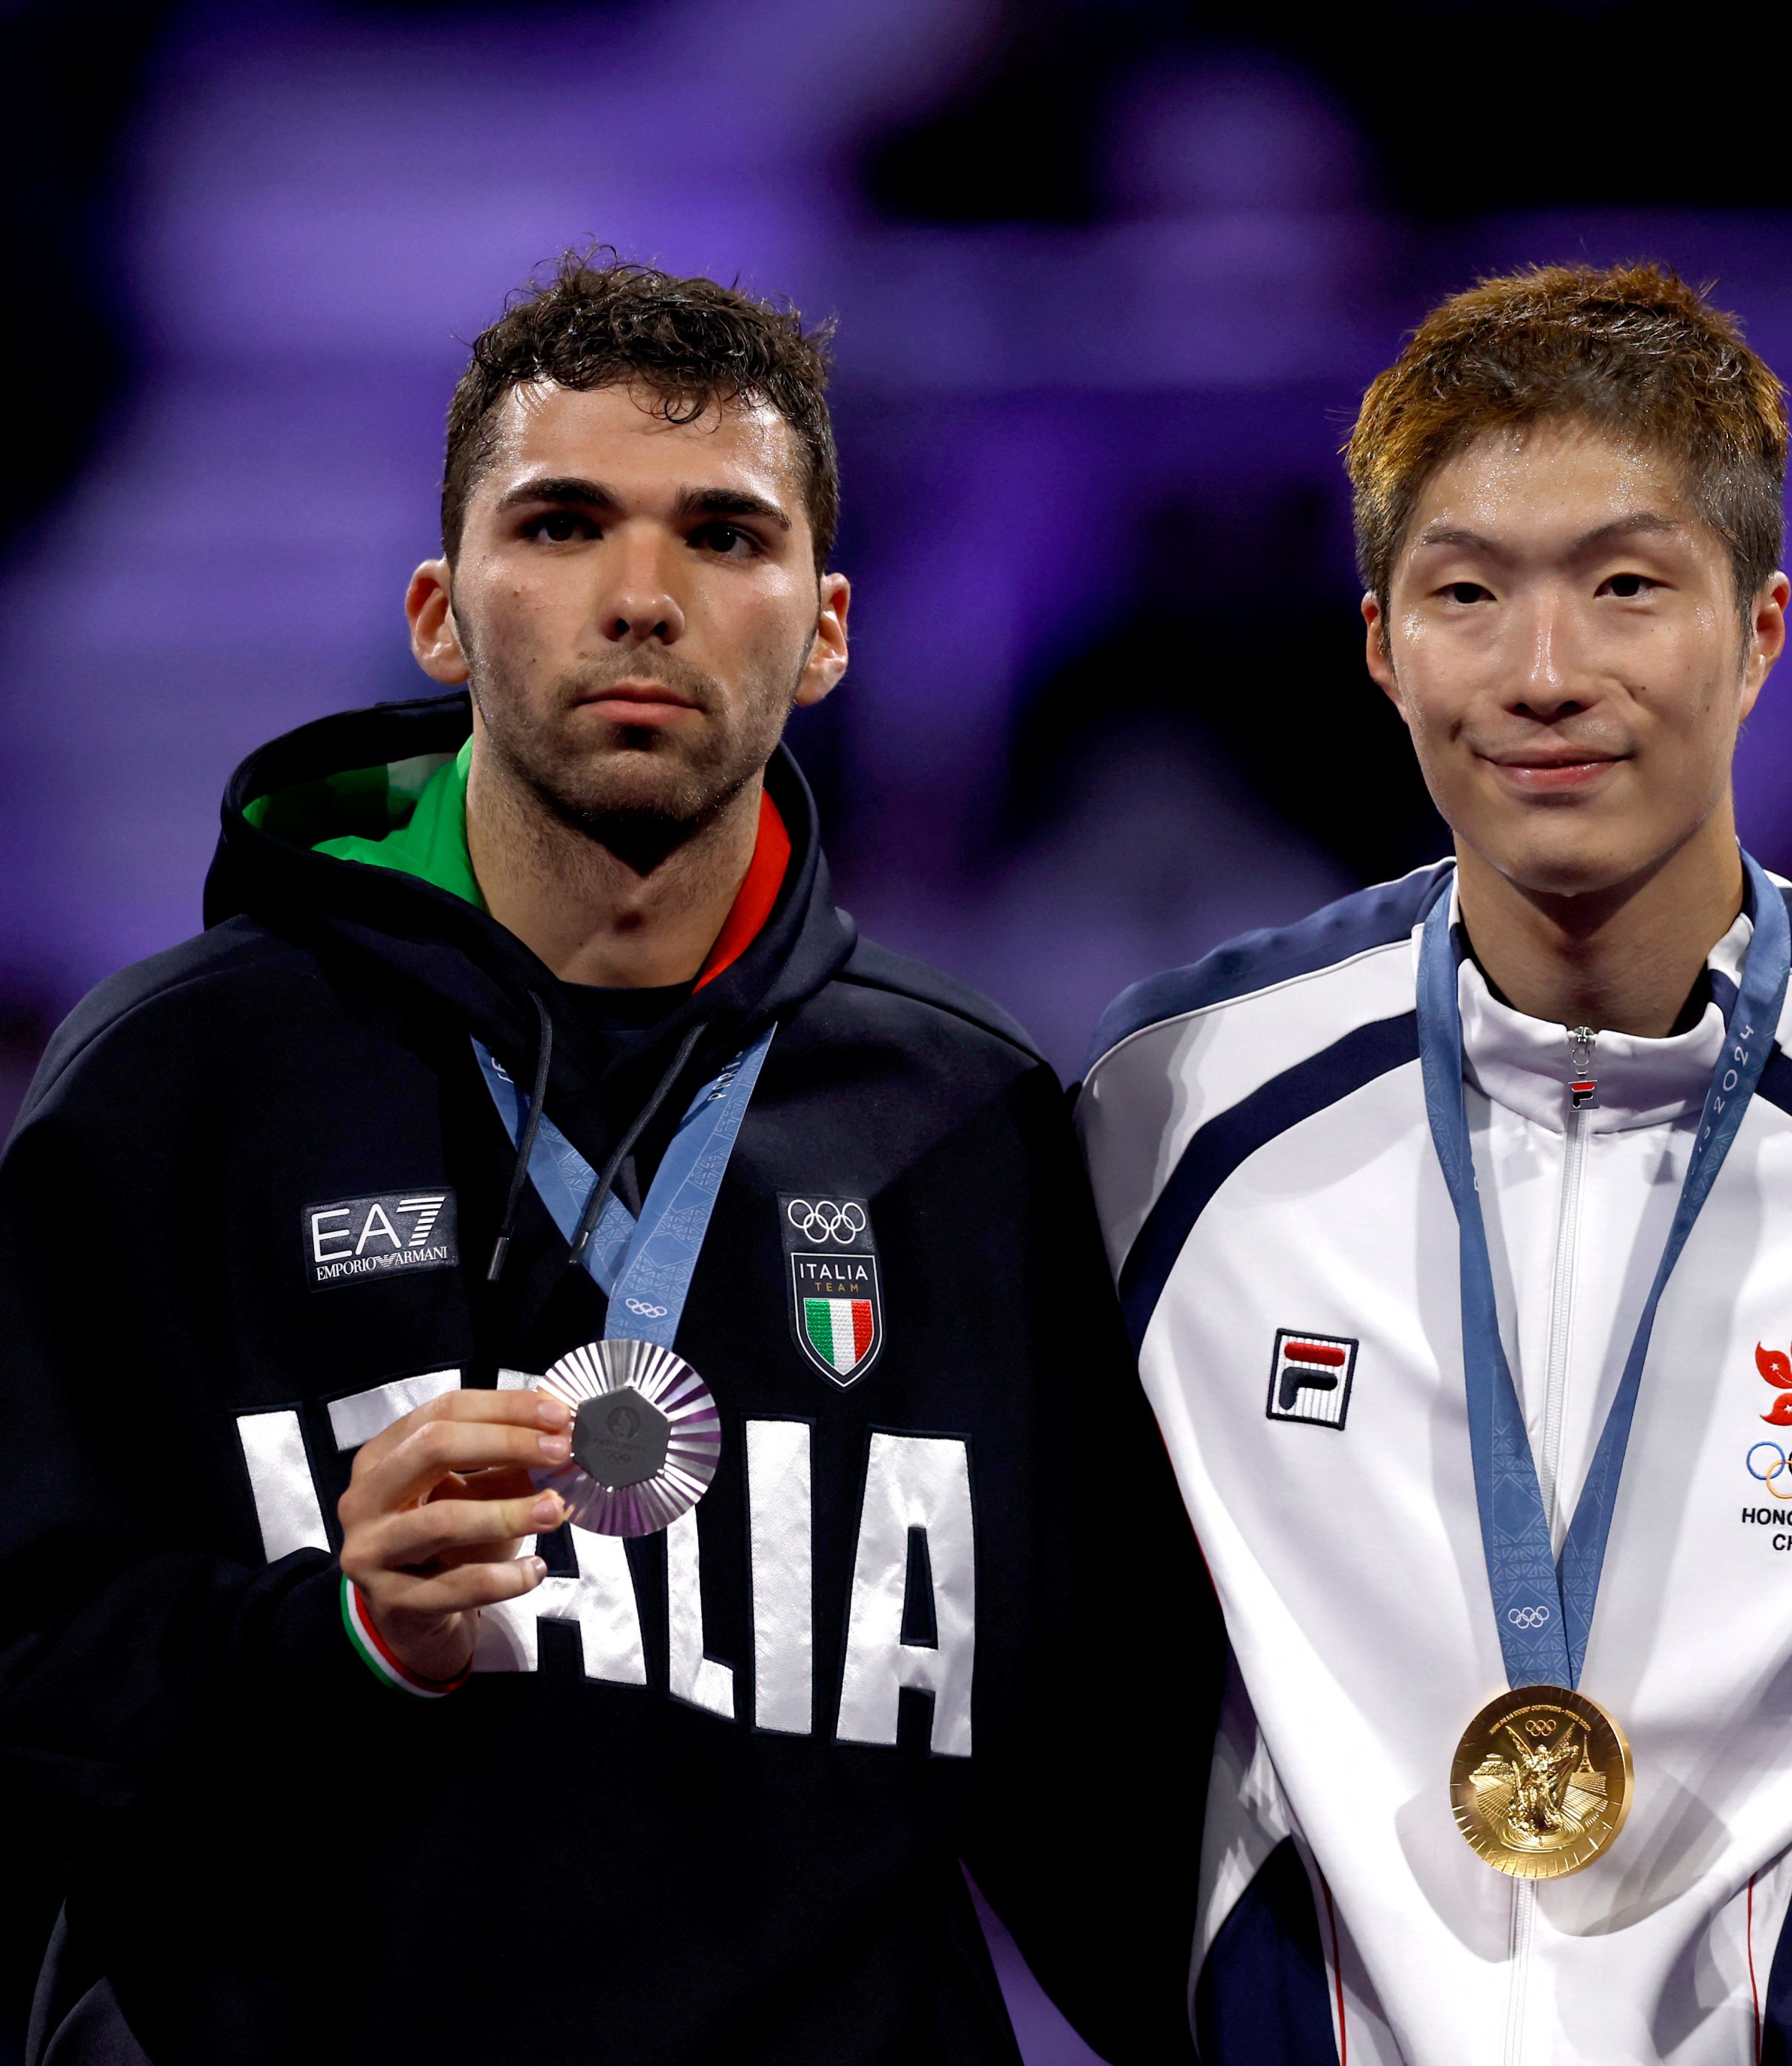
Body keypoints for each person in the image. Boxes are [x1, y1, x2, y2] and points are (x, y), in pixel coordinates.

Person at [0, 252, 1213, 2065]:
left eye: (722, 536)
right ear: (437, 608)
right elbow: (29, 1680)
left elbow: (1101, 1798)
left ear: (825, 629)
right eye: (561, 524)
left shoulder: (969, 1123)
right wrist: (334, 1636)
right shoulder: (182, 1087)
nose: (639, 600)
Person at [1077, 262, 1792, 2066]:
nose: (1546, 674)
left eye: (1627, 586)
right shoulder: (1168, 1118)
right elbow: (1076, 1700)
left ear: (1762, 629)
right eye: (1466, 594)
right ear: (1383, 647)